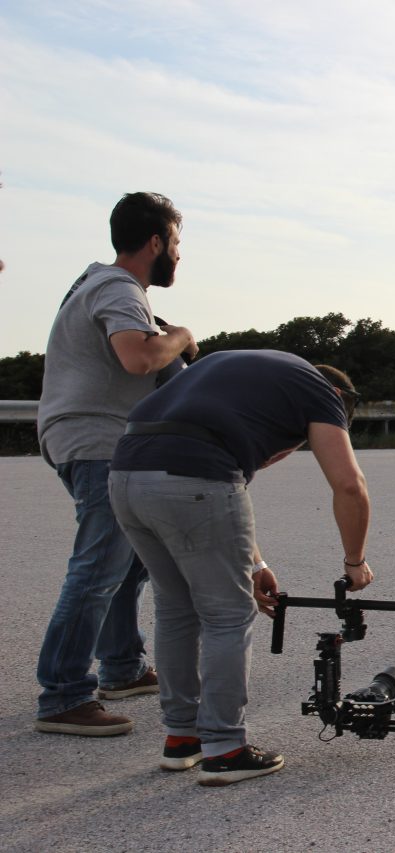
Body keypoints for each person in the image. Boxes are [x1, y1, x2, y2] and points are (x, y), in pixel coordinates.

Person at [108, 349, 372, 787]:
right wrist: (355, 562)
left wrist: (256, 563)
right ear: (339, 396)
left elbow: (231, 486)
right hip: (194, 476)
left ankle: (182, 739)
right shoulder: (321, 391)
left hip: (126, 475)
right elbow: (349, 484)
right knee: (227, 616)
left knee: (176, 609)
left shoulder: (244, 372)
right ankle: (225, 747)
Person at [35, 192, 198, 737]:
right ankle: (62, 694)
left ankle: (123, 667)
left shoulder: (93, 283)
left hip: (86, 436)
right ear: (155, 242)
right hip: (96, 439)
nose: (178, 253)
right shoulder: (119, 287)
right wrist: (181, 338)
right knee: (99, 566)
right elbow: (137, 356)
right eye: (176, 242)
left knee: (129, 562)